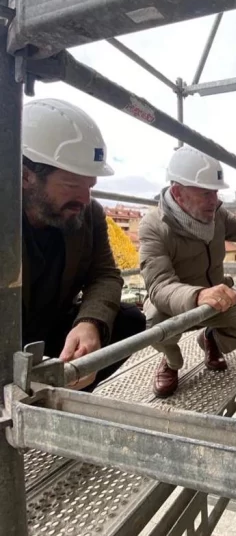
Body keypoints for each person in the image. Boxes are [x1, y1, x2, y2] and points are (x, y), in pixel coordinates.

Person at [22, 98, 146, 391]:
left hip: (53, 332)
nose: (85, 198)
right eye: (72, 185)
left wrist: (89, 323)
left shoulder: (89, 214)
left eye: (89, 185)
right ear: (26, 176)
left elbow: (105, 274)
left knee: (130, 321)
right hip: (8, 338)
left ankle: (67, 393)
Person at [139, 145, 236, 398]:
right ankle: (172, 362)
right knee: (151, 325)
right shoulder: (154, 225)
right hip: (177, 304)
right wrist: (199, 295)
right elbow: (159, 285)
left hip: (215, 302)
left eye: (216, 192)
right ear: (178, 193)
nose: (215, 200)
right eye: (205, 193)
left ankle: (212, 340)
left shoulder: (217, 214)